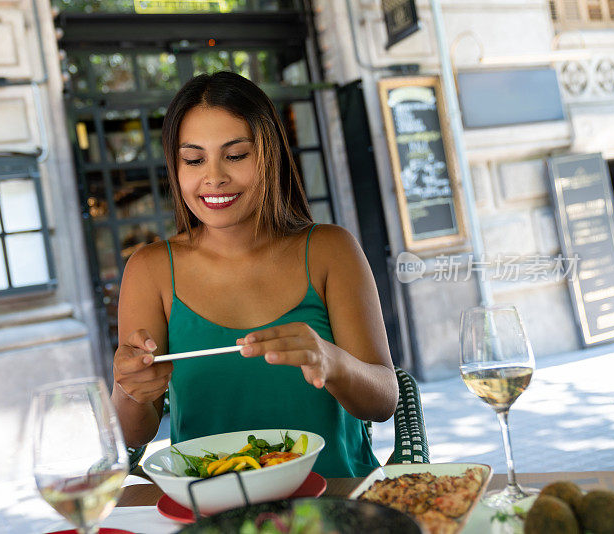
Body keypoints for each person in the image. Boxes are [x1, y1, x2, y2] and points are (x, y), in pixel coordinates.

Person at [110, 71, 398, 477]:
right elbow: (131, 434)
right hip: (211, 509)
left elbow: (384, 402)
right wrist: (130, 389)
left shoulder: (331, 249)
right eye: (194, 159)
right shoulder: (149, 270)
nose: (214, 177)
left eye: (236, 155)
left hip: (337, 500)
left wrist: (331, 361)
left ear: (270, 155)